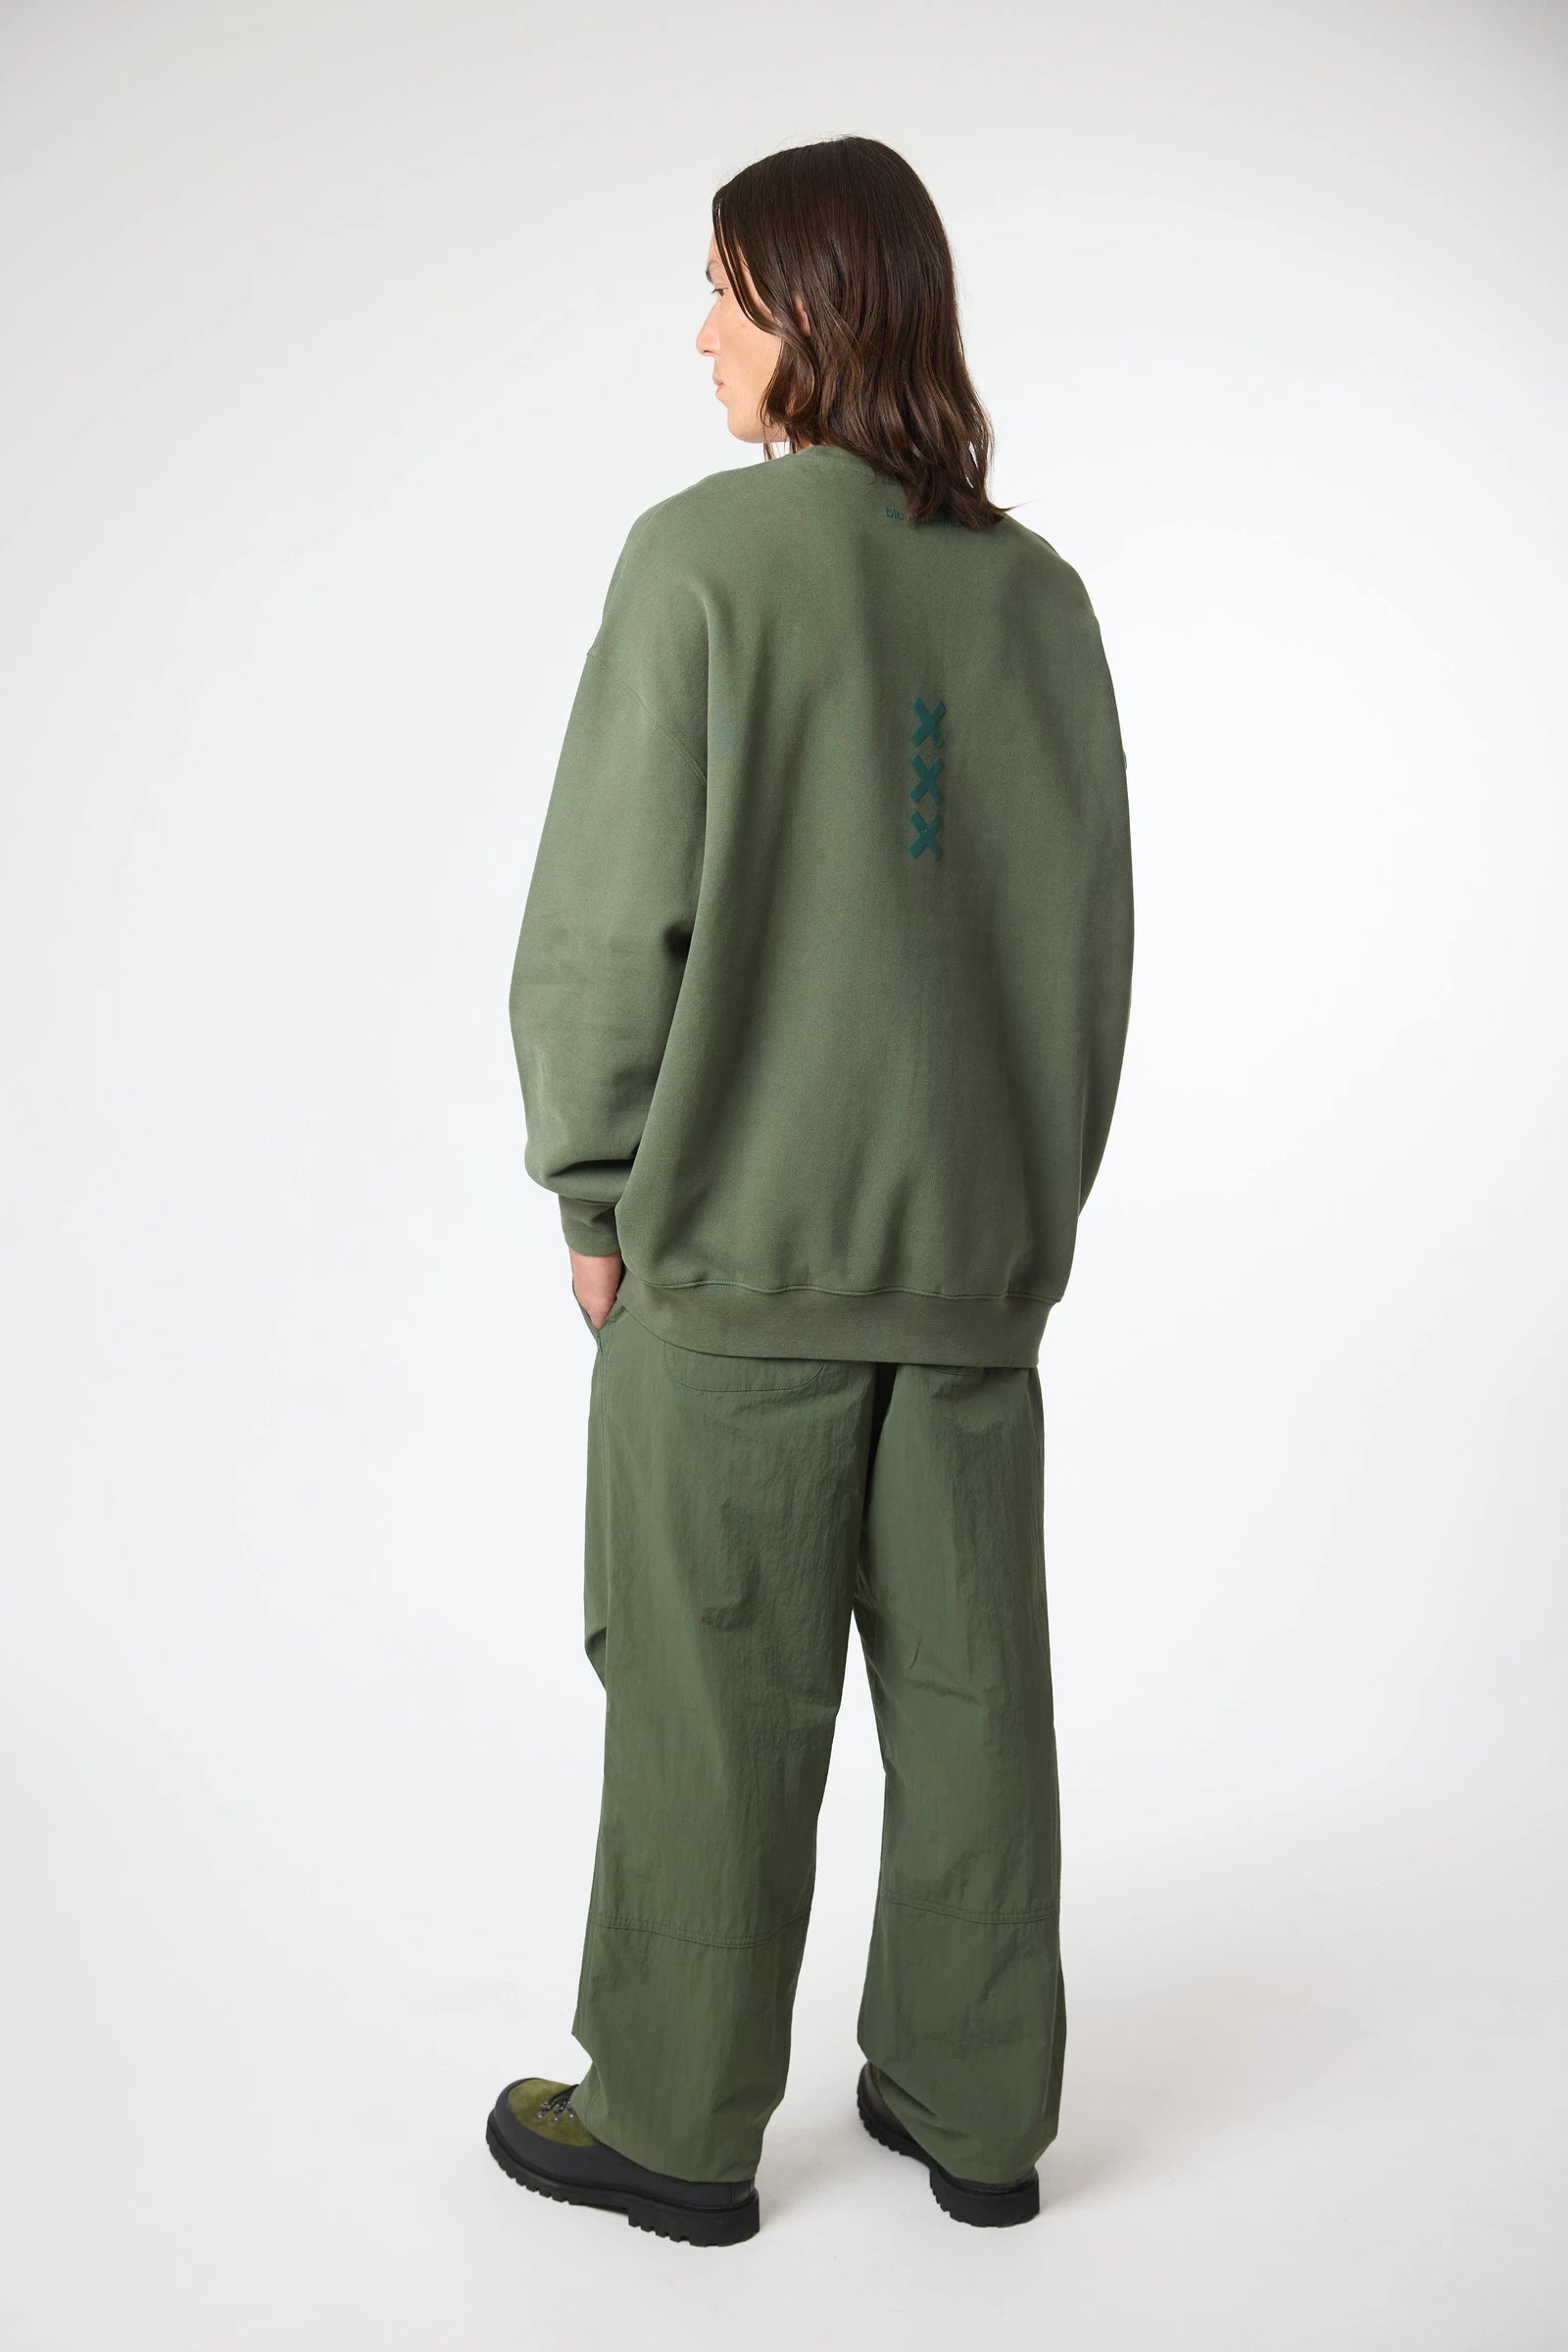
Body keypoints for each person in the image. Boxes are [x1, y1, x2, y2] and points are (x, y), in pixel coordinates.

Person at [486, 134, 1134, 2247]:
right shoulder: (1038, 599)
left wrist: (593, 1197)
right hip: (967, 1282)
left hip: (736, 1279)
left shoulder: (698, 562)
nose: (698, 331)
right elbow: (1082, 954)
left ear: (815, 312)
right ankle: (977, 2109)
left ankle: (672, 2128)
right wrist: (1014, 1233)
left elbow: (605, 925)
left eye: (725, 289)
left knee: (708, 1705)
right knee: (973, 1711)